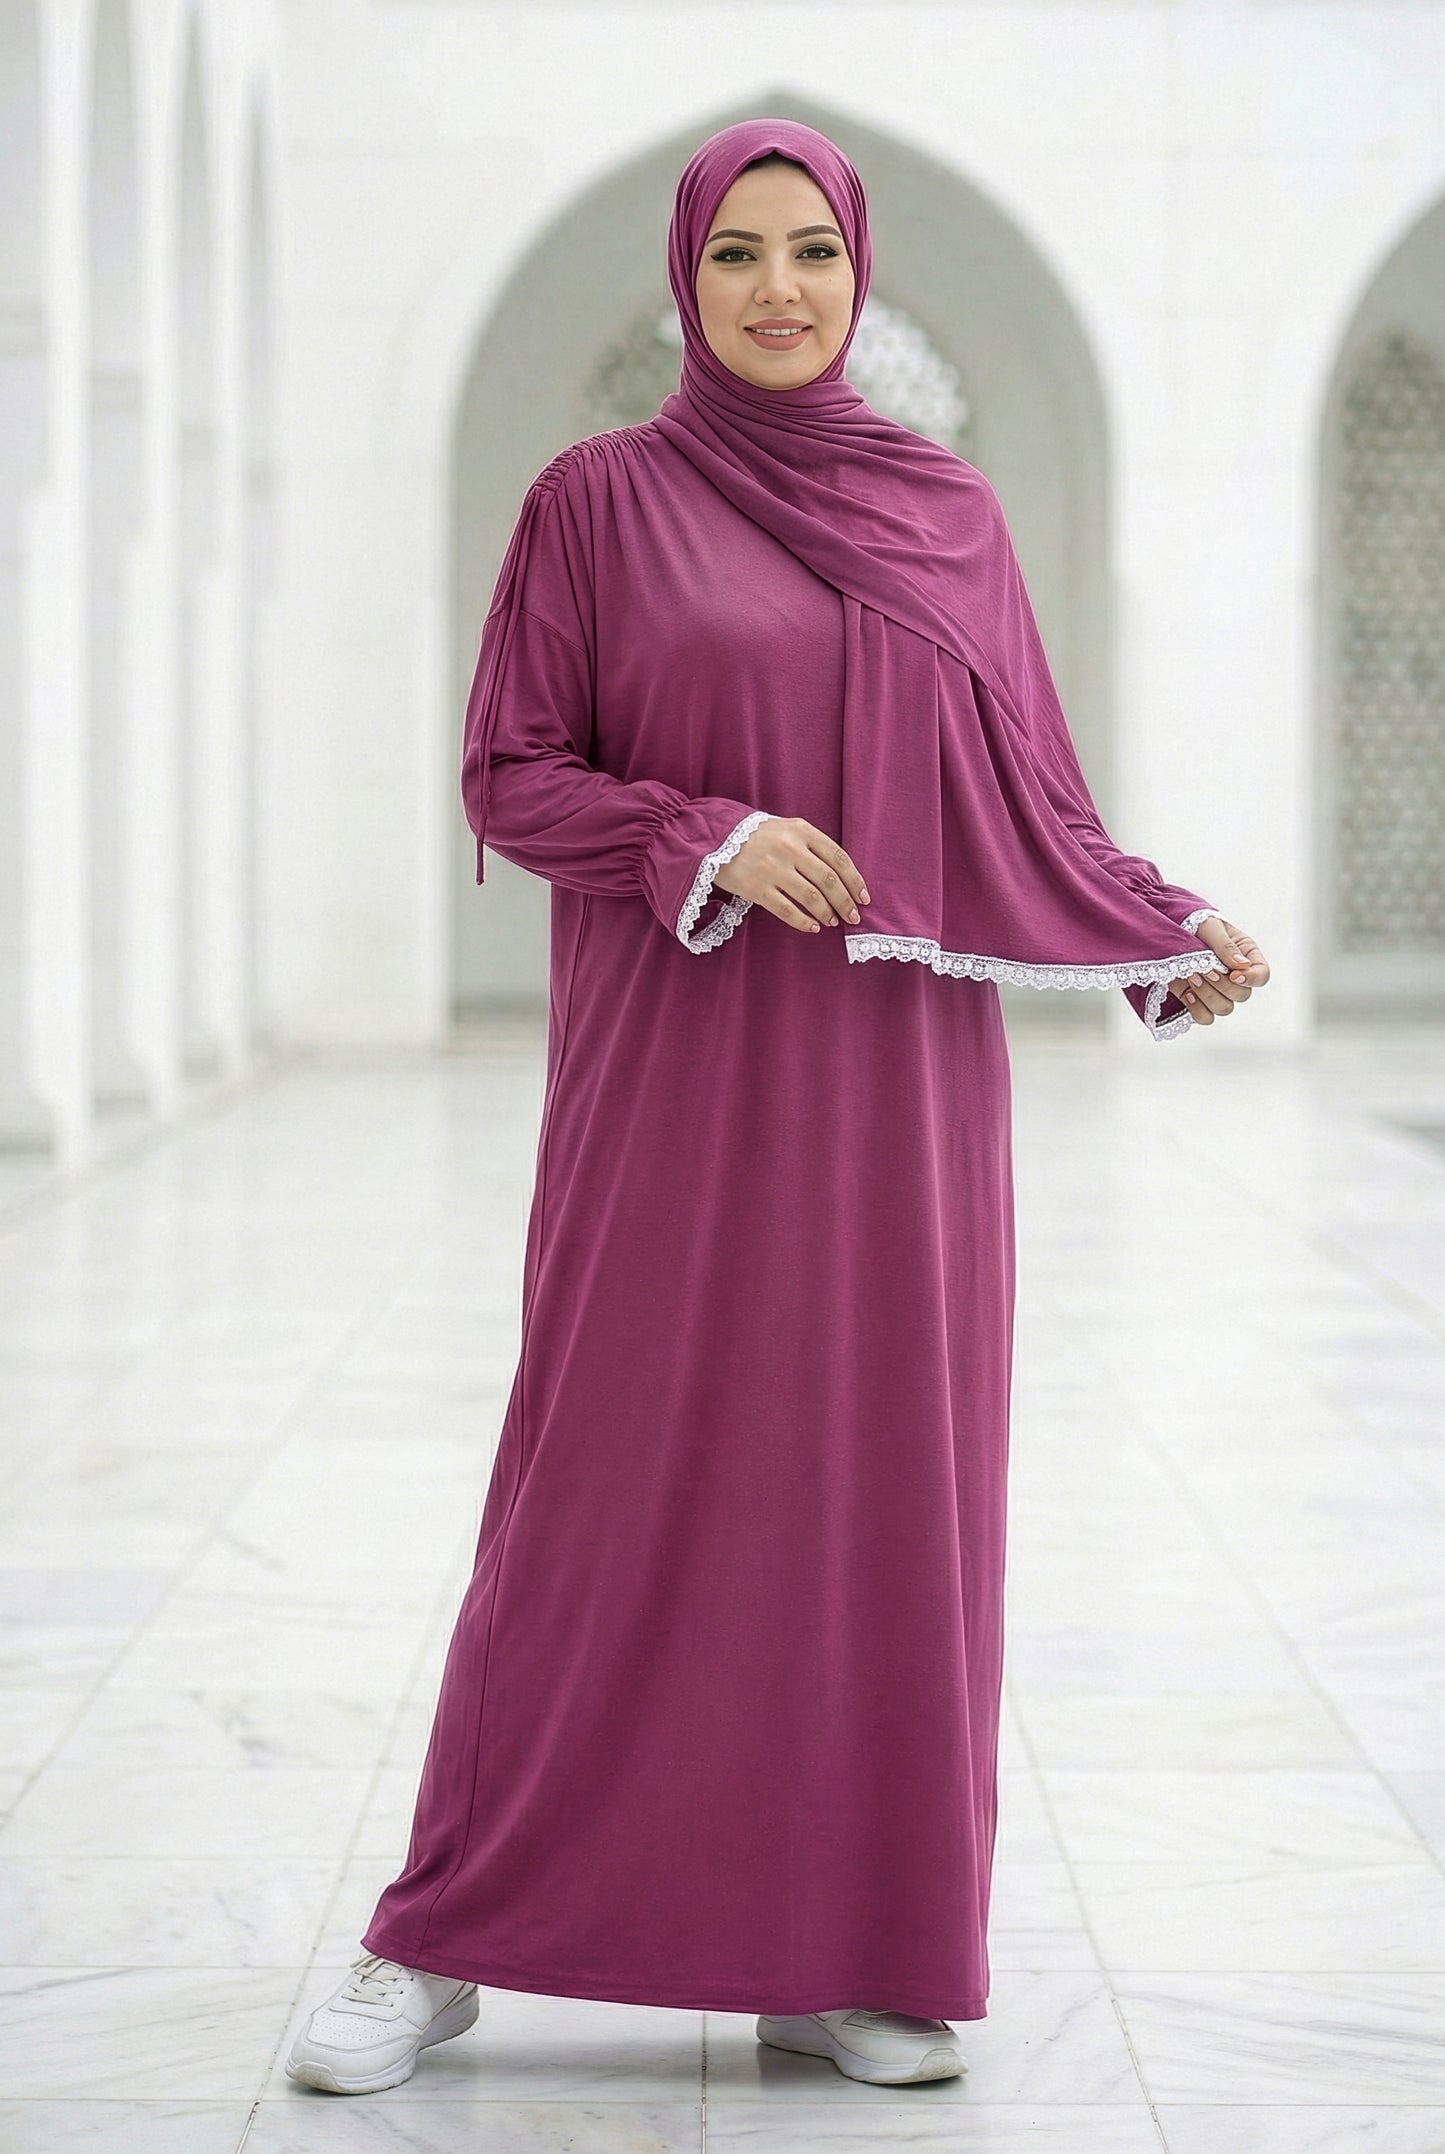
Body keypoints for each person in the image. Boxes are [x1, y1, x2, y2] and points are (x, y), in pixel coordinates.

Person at [286, 117, 1270, 2100]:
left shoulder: (952, 521)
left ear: (858, 270)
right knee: (607, 1477)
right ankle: (445, 1933)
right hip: (675, 1063)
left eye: (809, 251)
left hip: (900, 1096)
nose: (775, 288)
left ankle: (854, 1943)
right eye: (735, 253)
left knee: (871, 1490)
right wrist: (703, 832)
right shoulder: (596, 503)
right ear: (687, 276)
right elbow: (507, 777)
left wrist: (1158, 928)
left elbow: (1024, 806)